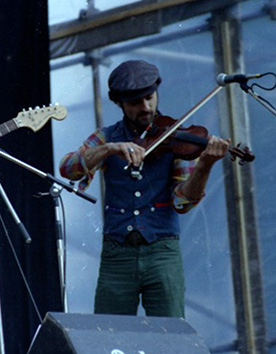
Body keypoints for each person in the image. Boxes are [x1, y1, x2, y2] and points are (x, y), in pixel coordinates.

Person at [59, 60, 229, 318]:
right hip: (117, 254)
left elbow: (183, 203)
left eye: (150, 98)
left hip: (162, 252)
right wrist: (109, 149)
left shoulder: (176, 135)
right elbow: (67, 168)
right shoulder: (106, 137)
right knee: (110, 335)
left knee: (171, 337)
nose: (146, 107)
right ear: (120, 103)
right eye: (136, 103)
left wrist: (204, 165)